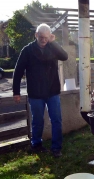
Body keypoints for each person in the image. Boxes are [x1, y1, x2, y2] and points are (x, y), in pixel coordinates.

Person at [13, 23, 68, 157]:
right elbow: (18, 71)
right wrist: (16, 91)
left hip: (52, 91)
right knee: (37, 121)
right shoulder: (27, 50)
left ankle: (56, 148)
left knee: (56, 120)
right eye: (41, 37)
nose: (44, 40)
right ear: (36, 35)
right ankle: (36, 145)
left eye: (47, 37)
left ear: (50, 37)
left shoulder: (52, 47)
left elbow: (64, 56)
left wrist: (54, 43)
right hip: (36, 93)